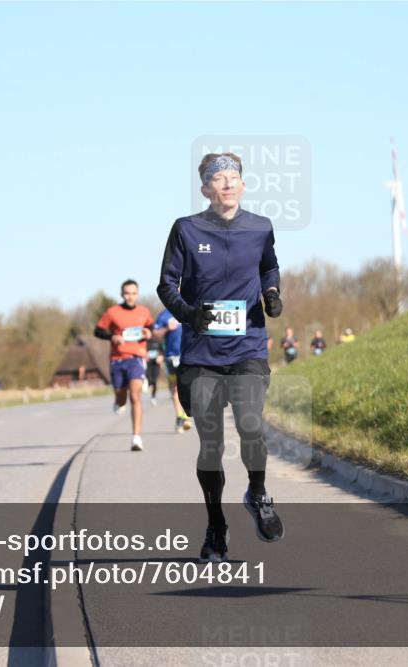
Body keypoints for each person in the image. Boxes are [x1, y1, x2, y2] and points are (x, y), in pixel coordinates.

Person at [158, 151, 285, 563]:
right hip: (202, 355)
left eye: (234, 177)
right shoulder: (186, 229)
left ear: (243, 186)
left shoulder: (260, 227)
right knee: (211, 443)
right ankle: (216, 525)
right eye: (219, 178)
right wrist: (189, 314)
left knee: (250, 423)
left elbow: (269, 268)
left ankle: (258, 491)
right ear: (205, 189)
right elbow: (166, 285)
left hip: (247, 347)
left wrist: (272, 294)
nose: (228, 183)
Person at [94, 279, 154, 451]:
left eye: (133, 293)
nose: (130, 296)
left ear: (137, 294)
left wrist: (149, 333)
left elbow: (151, 327)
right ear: (122, 294)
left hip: (136, 357)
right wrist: (112, 337)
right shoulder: (112, 312)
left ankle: (136, 437)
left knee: (135, 395)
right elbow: (97, 331)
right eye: (127, 293)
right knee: (121, 395)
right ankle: (119, 401)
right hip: (118, 359)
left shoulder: (144, 311)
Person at [153, 307, 193, 432]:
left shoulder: (190, 308)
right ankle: (181, 415)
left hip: (190, 354)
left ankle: (185, 413)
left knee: (190, 385)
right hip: (172, 356)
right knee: (175, 387)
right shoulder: (163, 315)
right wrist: (167, 329)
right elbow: (155, 334)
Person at [145, 338, 163, 405]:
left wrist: (161, 356)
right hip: (148, 363)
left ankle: (153, 397)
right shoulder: (145, 341)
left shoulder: (158, 341)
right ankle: (148, 384)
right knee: (149, 378)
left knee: (154, 380)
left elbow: (163, 351)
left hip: (156, 363)